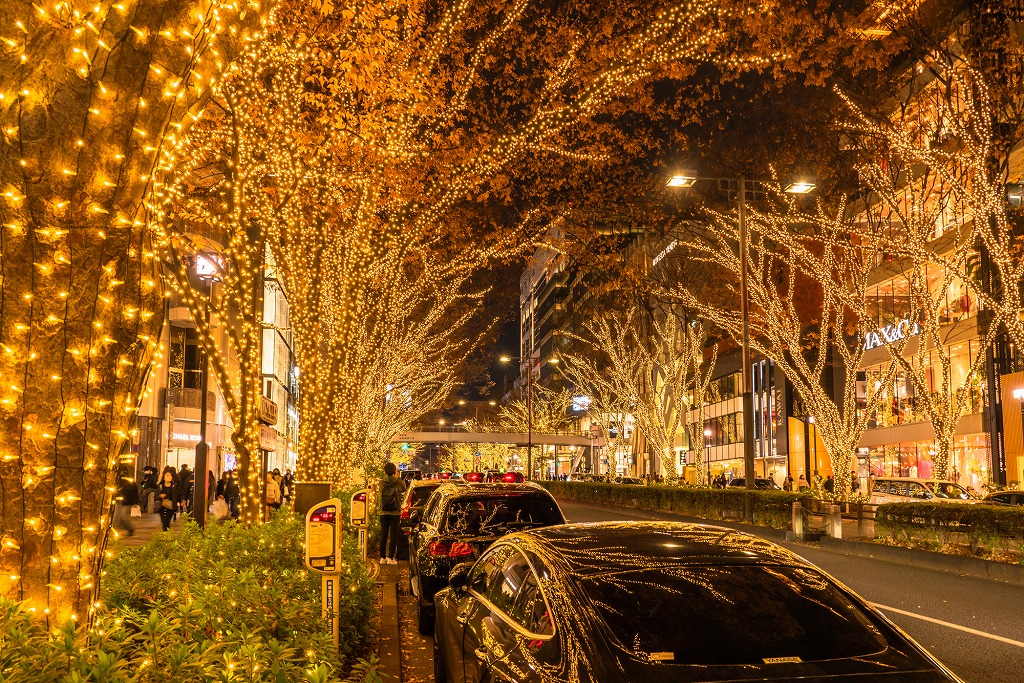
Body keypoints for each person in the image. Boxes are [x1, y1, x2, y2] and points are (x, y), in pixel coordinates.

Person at [378, 462, 407, 565]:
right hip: (395, 512)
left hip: (383, 512)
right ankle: (391, 558)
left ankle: (382, 557)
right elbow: (404, 489)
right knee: (393, 535)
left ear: (385, 471)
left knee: (383, 534)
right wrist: (398, 477)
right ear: (395, 471)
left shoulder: (381, 482)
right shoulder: (398, 482)